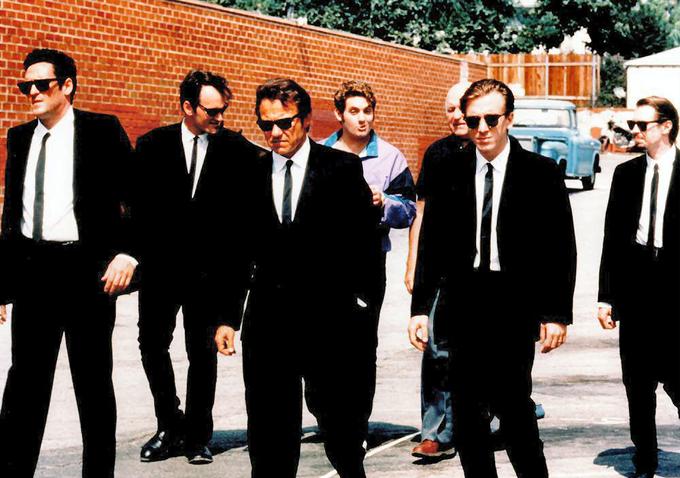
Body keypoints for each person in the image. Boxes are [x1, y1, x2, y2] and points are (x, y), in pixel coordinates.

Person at [408, 78, 576, 477]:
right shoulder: (449, 169)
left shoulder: (540, 173)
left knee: (514, 409)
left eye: (491, 119)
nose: (481, 128)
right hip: (462, 302)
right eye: (473, 120)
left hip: (513, 304)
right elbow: (432, 243)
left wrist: (556, 314)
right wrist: (420, 309)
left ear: (509, 119)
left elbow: (560, 248)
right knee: (466, 415)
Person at [214, 78, 379, 477]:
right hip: (268, 325)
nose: (275, 133)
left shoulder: (341, 169)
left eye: (284, 123)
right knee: (269, 437)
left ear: (305, 120)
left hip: (331, 324)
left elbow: (365, 249)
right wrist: (226, 317)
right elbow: (235, 253)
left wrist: (362, 312)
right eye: (266, 125)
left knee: (342, 434)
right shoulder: (249, 173)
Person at [0, 48, 136, 478]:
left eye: (42, 84)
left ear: (68, 86)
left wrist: (128, 253)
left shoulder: (101, 130)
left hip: (85, 273)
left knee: (93, 385)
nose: (32, 92)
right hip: (33, 271)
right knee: (23, 386)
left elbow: (139, 198)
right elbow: (12, 216)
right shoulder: (19, 137)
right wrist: (2, 284)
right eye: (26, 85)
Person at [134, 70, 260, 465]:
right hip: (160, 272)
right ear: (187, 107)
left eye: (223, 110)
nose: (219, 118)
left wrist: (232, 304)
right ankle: (169, 424)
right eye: (211, 111)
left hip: (210, 276)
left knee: (202, 354)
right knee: (151, 345)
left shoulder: (238, 151)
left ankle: (198, 436)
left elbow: (243, 228)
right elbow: (137, 212)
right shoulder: (152, 145)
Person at [322, 79, 415, 432]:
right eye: (354, 111)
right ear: (339, 115)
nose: (362, 119)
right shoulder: (320, 152)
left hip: (368, 264)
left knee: (361, 346)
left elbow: (408, 210)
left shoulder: (391, 157)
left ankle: (356, 423)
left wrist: (384, 202)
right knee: (324, 344)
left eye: (368, 111)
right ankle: (329, 416)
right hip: (324, 265)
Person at [598, 96, 680, 478]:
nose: (635, 131)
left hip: (676, 286)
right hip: (637, 286)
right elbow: (612, 239)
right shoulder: (626, 174)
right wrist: (606, 297)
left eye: (642, 125)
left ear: (666, 126)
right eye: (633, 124)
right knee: (637, 381)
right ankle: (644, 459)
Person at [406, 81, 470, 458]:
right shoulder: (437, 153)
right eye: (450, 109)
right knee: (436, 350)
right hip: (442, 272)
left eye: (463, 107)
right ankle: (436, 431)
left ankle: (497, 415)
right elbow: (422, 212)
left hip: (486, 274)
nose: (457, 115)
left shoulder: (500, 152)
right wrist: (413, 262)